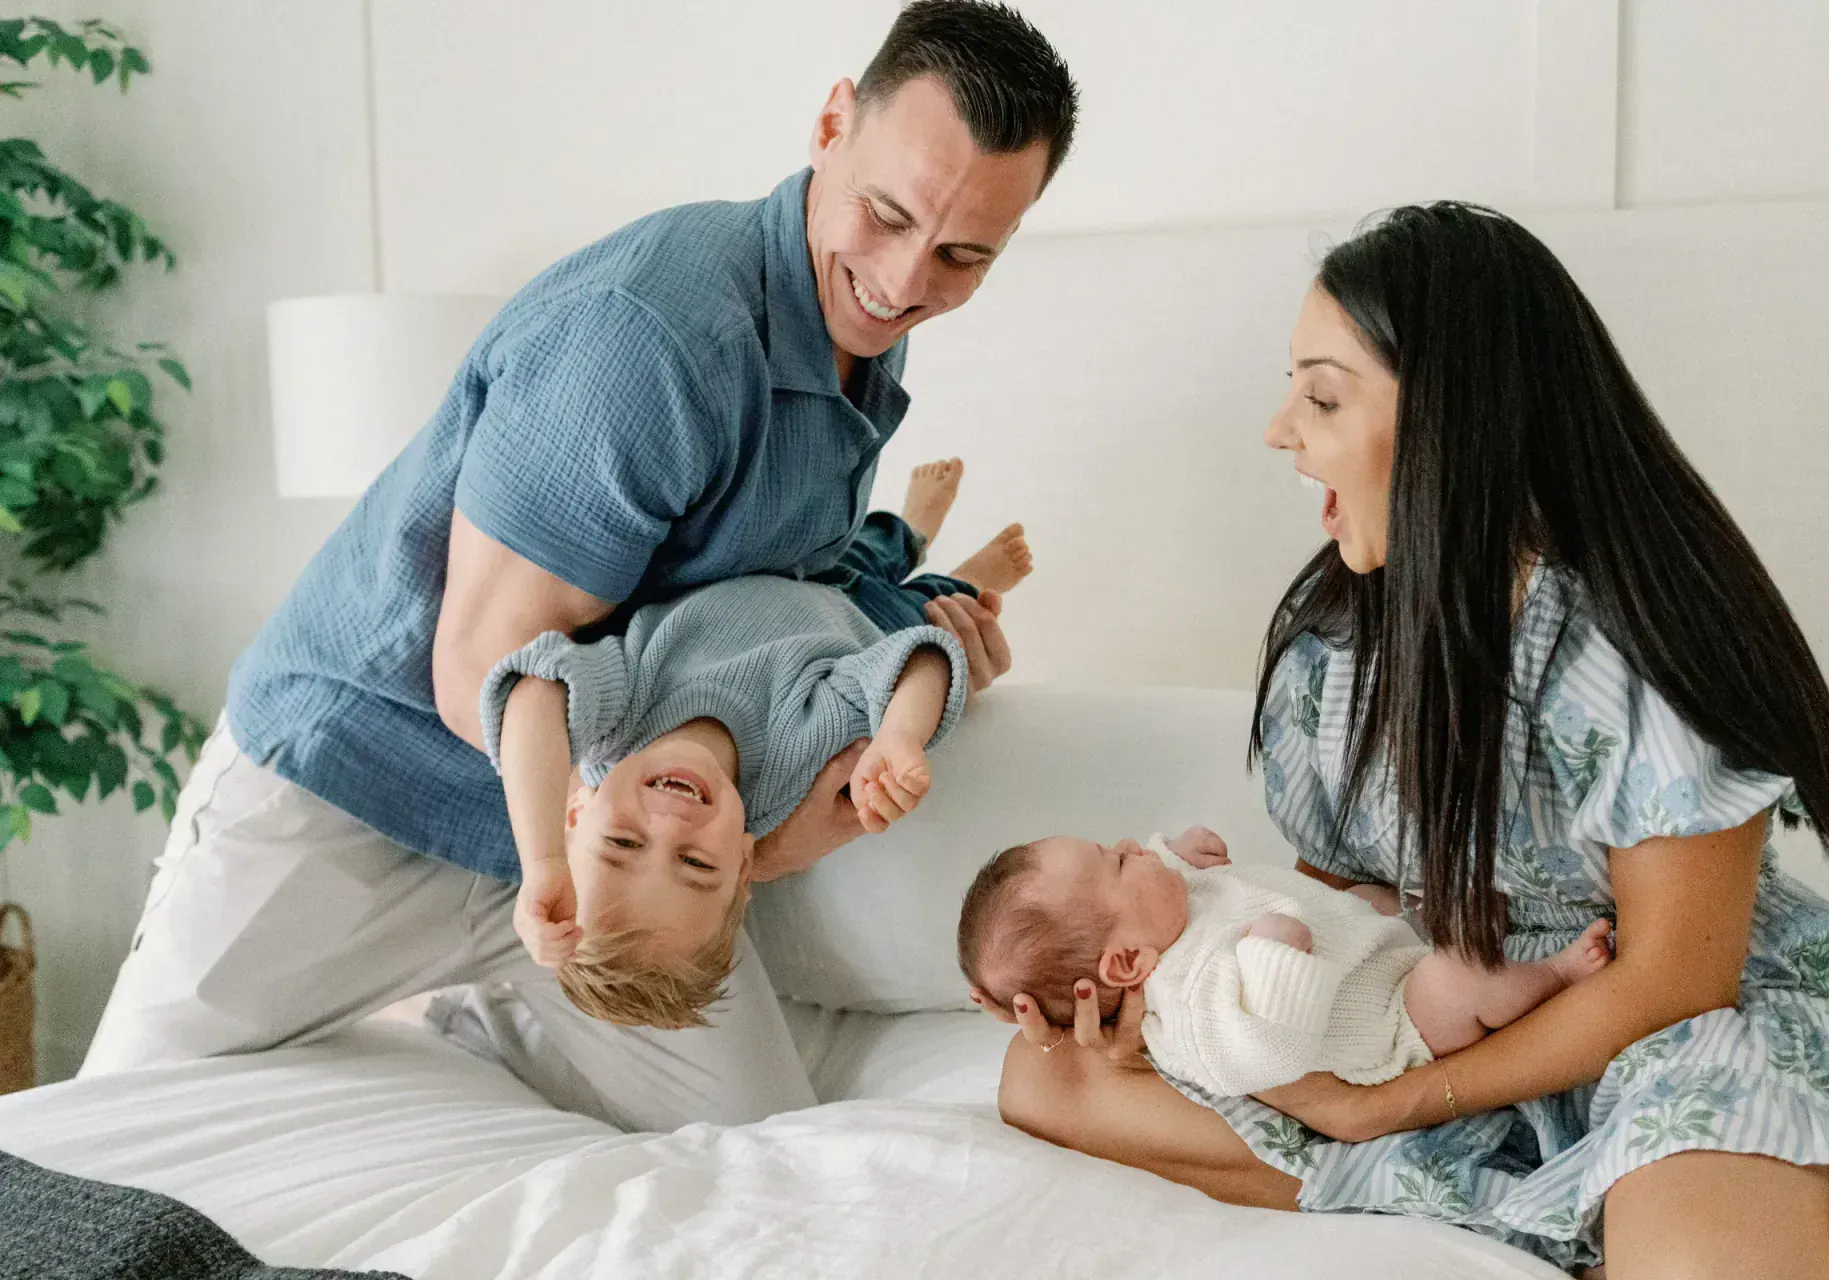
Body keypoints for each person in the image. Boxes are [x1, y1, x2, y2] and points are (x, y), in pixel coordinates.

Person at [82, 1, 1077, 1137]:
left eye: (962, 254)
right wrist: (692, 845)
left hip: (610, 859)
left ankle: (485, 1019)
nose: (903, 280)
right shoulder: (650, 340)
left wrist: (924, 646)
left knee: (756, 1142)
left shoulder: (856, 326)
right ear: (831, 124)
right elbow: (481, 670)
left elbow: (769, 602)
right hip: (361, 789)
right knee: (103, 1153)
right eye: (887, 214)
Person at [979, 204, 1829, 1277]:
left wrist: (1385, 1107)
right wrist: (1197, 1017)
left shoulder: (1624, 646)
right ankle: (1570, 1203)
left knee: (1705, 1265)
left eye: (1323, 394)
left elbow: (1674, 978)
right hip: (1441, 1023)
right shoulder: (1332, 650)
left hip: (1665, 1027)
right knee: (1041, 1074)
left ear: (1447, 422)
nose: (1280, 427)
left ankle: (1732, 1202)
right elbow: (1331, 908)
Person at [489, 459, 1025, 1025]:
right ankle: (970, 575)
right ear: (744, 865)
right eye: (695, 863)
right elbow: (912, 662)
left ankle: (915, 526)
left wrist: (543, 858)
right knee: (938, 613)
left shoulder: (616, 720)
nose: (669, 824)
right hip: (857, 622)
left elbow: (535, 690)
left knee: (874, 544)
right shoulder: (793, 762)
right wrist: (899, 733)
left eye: (623, 843)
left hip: (792, 564)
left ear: (578, 807)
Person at [958, 826, 1612, 1095]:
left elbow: (1164, 867)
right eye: (1118, 860)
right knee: (1453, 979)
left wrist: (1183, 847)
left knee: (1370, 896)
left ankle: (1430, 920)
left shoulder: (1163, 905)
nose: (1134, 843)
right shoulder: (1188, 1009)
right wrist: (1273, 957)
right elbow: (1261, 1058)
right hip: (1396, 1023)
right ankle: (1557, 974)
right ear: (1128, 961)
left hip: (1366, 942)